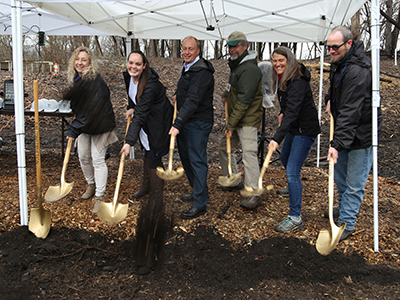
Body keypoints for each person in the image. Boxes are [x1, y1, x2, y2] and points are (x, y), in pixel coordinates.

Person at [325, 26, 382, 241]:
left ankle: (347, 222)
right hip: (345, 129)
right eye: (328, 47)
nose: (331, 51)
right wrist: (330, 99)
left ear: (349, 43)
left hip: (362, 133)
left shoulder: (358, 70)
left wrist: (336, 143)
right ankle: (343, 208)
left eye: (335, 47)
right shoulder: (340, 62)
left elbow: (351, 109)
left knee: (354, 182)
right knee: (340, 176)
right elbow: (337, 89)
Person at [120, 51, 173, 272]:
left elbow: (141, 113)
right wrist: (132, 107)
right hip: (146, 123)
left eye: (138, 64)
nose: (133, 66)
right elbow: (136, 104)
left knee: (153, 157)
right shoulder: (128, 77)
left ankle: (157, 201)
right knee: (146, 153)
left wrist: (128, 141)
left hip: (158, 125)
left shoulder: (150, 84)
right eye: (131, 63)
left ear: (144, 66)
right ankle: (146, 186)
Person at [268, 46, 321, 233]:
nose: (277, 64)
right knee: (284, 159)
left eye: (281, 60)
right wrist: (282, 112)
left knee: (292, 170)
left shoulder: (297, 81)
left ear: (289, 60)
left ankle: (295, 217)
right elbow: (288, 107)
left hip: (304, 129)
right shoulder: (283, 78)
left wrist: (276, 138)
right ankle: (292, 189)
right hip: (293, 126)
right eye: (274, 60)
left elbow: (293, 111)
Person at [64, 46, 117, 213]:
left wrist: (73, 130)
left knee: (97, 159)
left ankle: (100, 196)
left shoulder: (94, 81)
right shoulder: (77, 79)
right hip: (85, 124)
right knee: (83, 156)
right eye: (77, 59)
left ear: (90, 63)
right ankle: (91, 184)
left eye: (84, 59)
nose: (80, 62)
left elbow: (91, 110)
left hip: (100, 124)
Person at [169, 36, 214, 220]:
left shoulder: (201, 72)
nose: (187, 52)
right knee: (187, 158)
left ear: (198, 51)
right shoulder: (188, 67)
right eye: (184, 48)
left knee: (196, 160)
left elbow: (194, 99)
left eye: (191, 49)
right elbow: (189, 92)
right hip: (187, 120)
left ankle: (200, 204)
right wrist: (178, 95)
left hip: (198, 122)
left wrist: (177, 123)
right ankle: (198, 190)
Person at [218, 31, 263, 209]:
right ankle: (232, 179)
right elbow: (233, 86)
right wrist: (225, 94)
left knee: (249, 154)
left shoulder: (250, 69)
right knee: (224, 147)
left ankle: (254, 192)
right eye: (230, 46)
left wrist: (231, 124)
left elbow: (245, 100)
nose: (232, 49)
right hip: (236, 117)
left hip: (247, 119)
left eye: (235, 45)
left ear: (245, 45)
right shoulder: (237, 65)